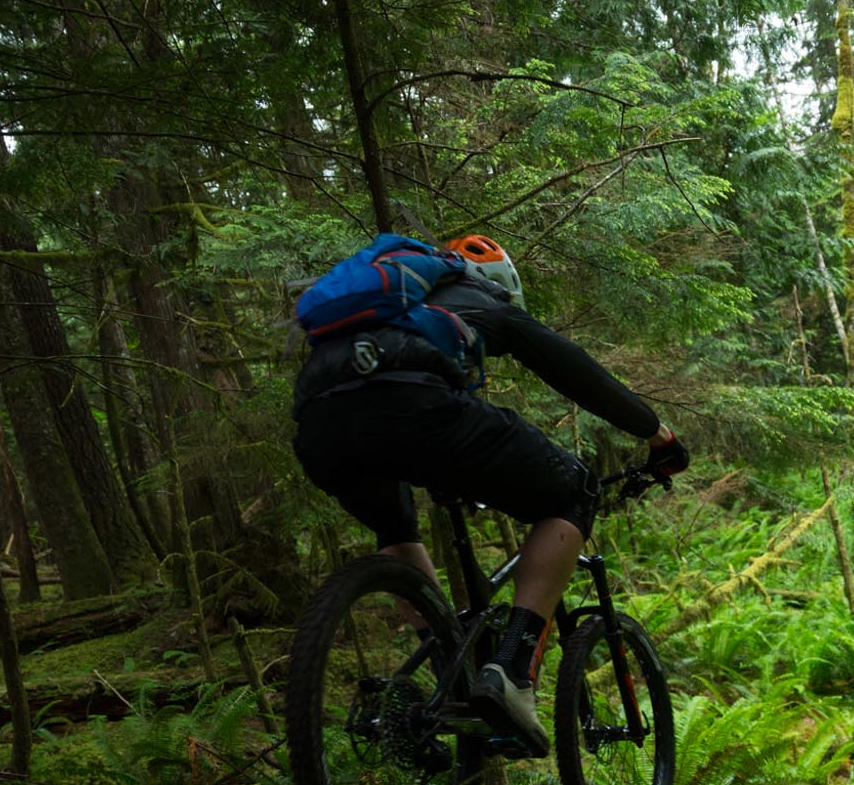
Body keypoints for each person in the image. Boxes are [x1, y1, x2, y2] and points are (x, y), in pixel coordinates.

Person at [291, 234, 688, 756]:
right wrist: (656, 435)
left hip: (319, 425)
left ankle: (448, 684)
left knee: (396, 528)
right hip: (414, 404)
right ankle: (513, 671)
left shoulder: (374, 311)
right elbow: (571, 368)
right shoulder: (479, 297)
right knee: (573, 491)